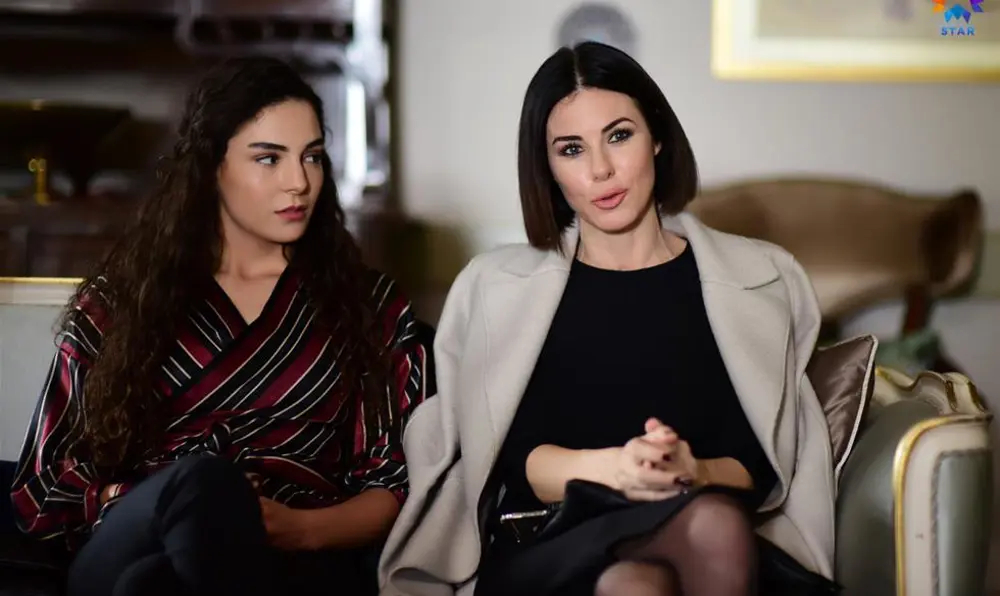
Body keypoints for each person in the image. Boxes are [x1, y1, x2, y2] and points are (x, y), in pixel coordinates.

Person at [378, 41, 840, 596]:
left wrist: (691, 469)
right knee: (653, 571)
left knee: (692, 540)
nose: (600, 169)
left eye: (619, 136)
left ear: (657, 138)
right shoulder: (500, 289)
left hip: (703, 522)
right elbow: (508, 458)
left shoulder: (754, 279)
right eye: (571, 149)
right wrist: (619, 469)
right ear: (547, 168)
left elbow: (761, 459)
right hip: (548, 540)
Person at [9, 56, 429, 596]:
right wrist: (151, 495)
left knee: (149, 585)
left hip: (299, 560)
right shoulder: (124, 303)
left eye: (312, 157)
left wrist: (299, 529)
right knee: (202, 486)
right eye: (268, 158)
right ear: (212, 167)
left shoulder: (369, 306)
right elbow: (42, 489)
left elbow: (398, 481)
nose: (299, 182)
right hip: (137, 530)